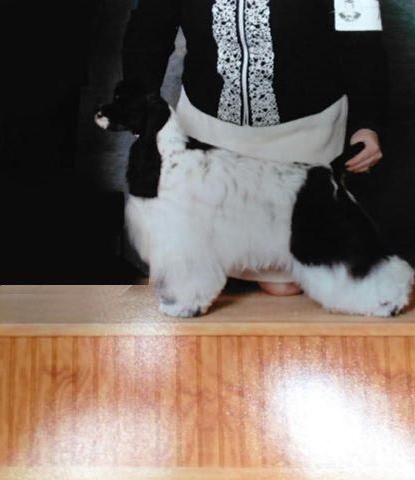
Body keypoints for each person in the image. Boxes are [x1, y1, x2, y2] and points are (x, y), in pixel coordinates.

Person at [122, 0, 387, 295]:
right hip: (207, 130)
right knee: (176, 273)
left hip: (302, 134)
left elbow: (362, 40)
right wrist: (139, 108)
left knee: (284, 285)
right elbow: (149, 29)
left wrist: (368, 122)